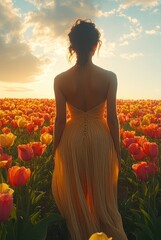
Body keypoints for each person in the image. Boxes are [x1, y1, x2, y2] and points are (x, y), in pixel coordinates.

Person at [52, 19, 128, 240]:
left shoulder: (60, 80)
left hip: (71, 139)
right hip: (101, 138)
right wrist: (118, 149)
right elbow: (112, 119)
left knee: (78, 195)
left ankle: (82, 232)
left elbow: (59, 120)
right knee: (100, 195)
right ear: (96, 45)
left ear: (72, 47)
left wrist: (56, 149)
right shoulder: (109, 77)